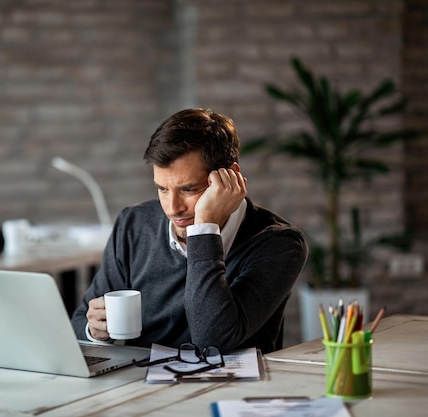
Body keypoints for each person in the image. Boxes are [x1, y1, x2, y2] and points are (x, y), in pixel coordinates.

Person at [71, 108, 308, 354]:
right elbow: (79, 323)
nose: (173, 208)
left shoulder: (279, 244)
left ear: (229, 178)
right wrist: (95, 330)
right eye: (162, 189)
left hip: (229, 389)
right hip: (139, 384)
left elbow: (213, 340)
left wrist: (205, 228)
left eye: (188, 189)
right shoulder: (134, 225)